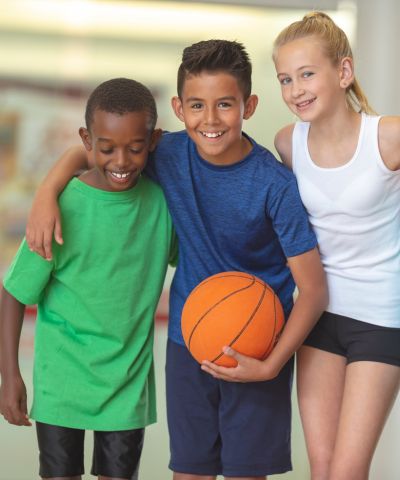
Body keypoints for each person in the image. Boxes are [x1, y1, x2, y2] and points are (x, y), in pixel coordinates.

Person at [23, 40, 328, 480]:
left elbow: (314, 290)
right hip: (189, 348)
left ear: (250, 105)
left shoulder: (275, 186)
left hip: (259, 347)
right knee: (188, 472)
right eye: (197, 105)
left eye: (225, 104)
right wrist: (45, 193)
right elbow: (96, 149)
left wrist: (272, 364)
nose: (211, 119)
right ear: (178, 109)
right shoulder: (165, 152)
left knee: (247, 473)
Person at [204, 12, 400, 480]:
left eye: (307, 74)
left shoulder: (388, 137)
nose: (296, 90)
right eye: (286, 79)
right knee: (323, 468)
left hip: (381, 317)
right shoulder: (289, 143)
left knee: (348, 471)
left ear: (344, 72)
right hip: (317, 315)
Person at [0, 77, 177, 480]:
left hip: (126, 384)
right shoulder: (62, 206)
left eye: (134, 148)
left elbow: (192, 258)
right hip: (62, 381)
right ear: (86, 140)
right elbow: (13, 294)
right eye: (107, 148)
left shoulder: (162, 204)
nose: (121, 161)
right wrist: (9, 375)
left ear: (153, 141)